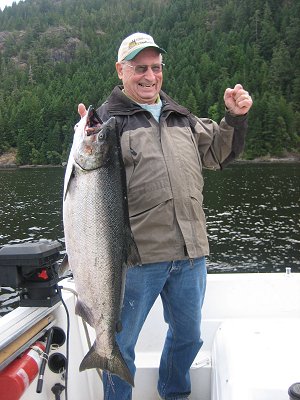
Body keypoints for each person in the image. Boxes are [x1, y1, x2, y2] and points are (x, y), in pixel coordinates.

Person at [78, 32, 253, 400]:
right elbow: (88, 186)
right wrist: (88, 134)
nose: (149, 76)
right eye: (139, 68)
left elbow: (219, 153)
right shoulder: (106, 123)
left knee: (189, 336)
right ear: (120, 71)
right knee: (118, 344)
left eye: (155, 67)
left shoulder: (181, 117)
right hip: (135, 261)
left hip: (191, 256)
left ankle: (174, 393)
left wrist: (234, 119)